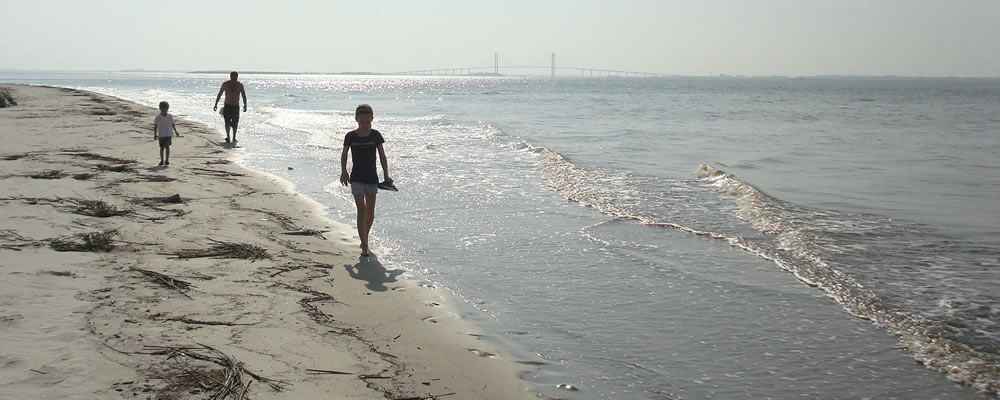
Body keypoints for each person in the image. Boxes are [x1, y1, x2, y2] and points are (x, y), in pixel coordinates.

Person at [340, 104, 392, 257]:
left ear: (372, 119)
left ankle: (364, 238)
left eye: (367, 122)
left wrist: (386, 175)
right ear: (356, 119)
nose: (364, 125)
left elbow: (382, 156)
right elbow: (344, 155)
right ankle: (365, 247)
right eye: (361, 122)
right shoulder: (351, 136)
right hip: (356, 178)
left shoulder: (375, 135)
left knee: (370, 213)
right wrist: (343, 171)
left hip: (371, 178)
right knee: (361, 210)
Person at [213, 71, 247, 143]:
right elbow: (220, 94)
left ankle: (234, 137)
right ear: (230, 76)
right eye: (233, 77)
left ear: (237, 77)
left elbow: (243, 95)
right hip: (227, 106)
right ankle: (228, 136)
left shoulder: (239, 85)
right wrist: (216, 104)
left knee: (235, 122)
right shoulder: (225, 84)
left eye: (235, 77)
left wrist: (245, 105)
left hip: (235, 106)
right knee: (227, 122)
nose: (234, 78)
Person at [153, 101, 181, 166]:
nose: (164, 111)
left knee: (167, 146)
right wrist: (155, 134)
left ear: (167, 109)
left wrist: (176, 132)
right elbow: (155, 127)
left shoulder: (170, 116)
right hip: (161, 135)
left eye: (165, 109)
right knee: (162, 148)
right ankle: (162, 160)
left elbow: (172, 124)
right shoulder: (158, 117)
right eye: (162, 109)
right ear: (160, 109)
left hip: (168, 134)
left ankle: (167, 160)